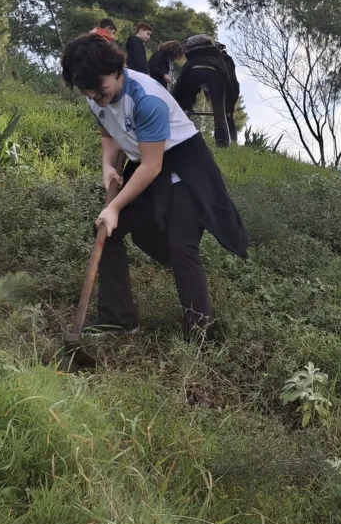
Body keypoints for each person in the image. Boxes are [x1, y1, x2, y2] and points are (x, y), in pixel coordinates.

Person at [59, 33, 248, 340]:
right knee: (107, 231)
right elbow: (110, 132)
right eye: (90, 94)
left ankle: (198, 333)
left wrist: (115, 206)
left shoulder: (146, 99)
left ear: (118, 69)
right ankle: (118, 318)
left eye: (102, 91)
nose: (97, 98)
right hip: (146, 160)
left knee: (181, 244)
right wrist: (108, 166)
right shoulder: (95, 95)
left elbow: (151, 166)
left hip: (184, 165)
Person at [173, 34, 234, 147]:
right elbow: (231, 80)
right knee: (219, 111)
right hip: (215, 73)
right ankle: (222, 144)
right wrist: (230, 105)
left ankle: (176, 137)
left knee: (183, 107)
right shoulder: (221, 60)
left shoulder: (192, 60)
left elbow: (180, 84)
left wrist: (175, 100)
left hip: (192, 70)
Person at [217, 42, 241, 144]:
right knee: (227, 115)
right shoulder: (227, 59)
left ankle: (231, 139)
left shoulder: (225, 59)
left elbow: (231, 76)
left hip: (228, 89)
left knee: (227, 115)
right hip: (230, 89)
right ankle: (231, 139)